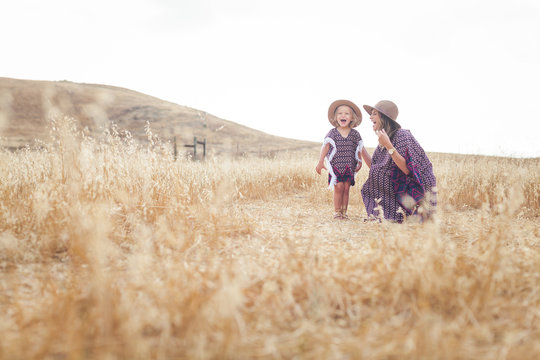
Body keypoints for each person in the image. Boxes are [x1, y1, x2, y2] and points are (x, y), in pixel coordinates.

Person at [360, 100, 437, 223]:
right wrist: (361, 149)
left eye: (374, 113)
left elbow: (407, 170)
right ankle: (387, 216)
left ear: (384, 118)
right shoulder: (385, 140)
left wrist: (388, 145)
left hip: (417, 187)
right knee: (373, 180)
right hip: (401, 185)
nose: (370, 117)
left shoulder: (401, 135)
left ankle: (410, 214)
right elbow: (374, 167)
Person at [316, 100, 369, 219]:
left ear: (352, 118)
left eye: (346, 114)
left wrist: (359, 161)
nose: (343, 116)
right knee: (338, 187)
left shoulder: (355, 134)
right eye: (340, 113)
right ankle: (337, 212)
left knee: (346, 188)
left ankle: (344, 213)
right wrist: (320, 162)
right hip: (336, 165)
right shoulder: (333, 133)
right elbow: (325, 146)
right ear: (335, 117)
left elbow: (358, 148)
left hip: (349, 165)